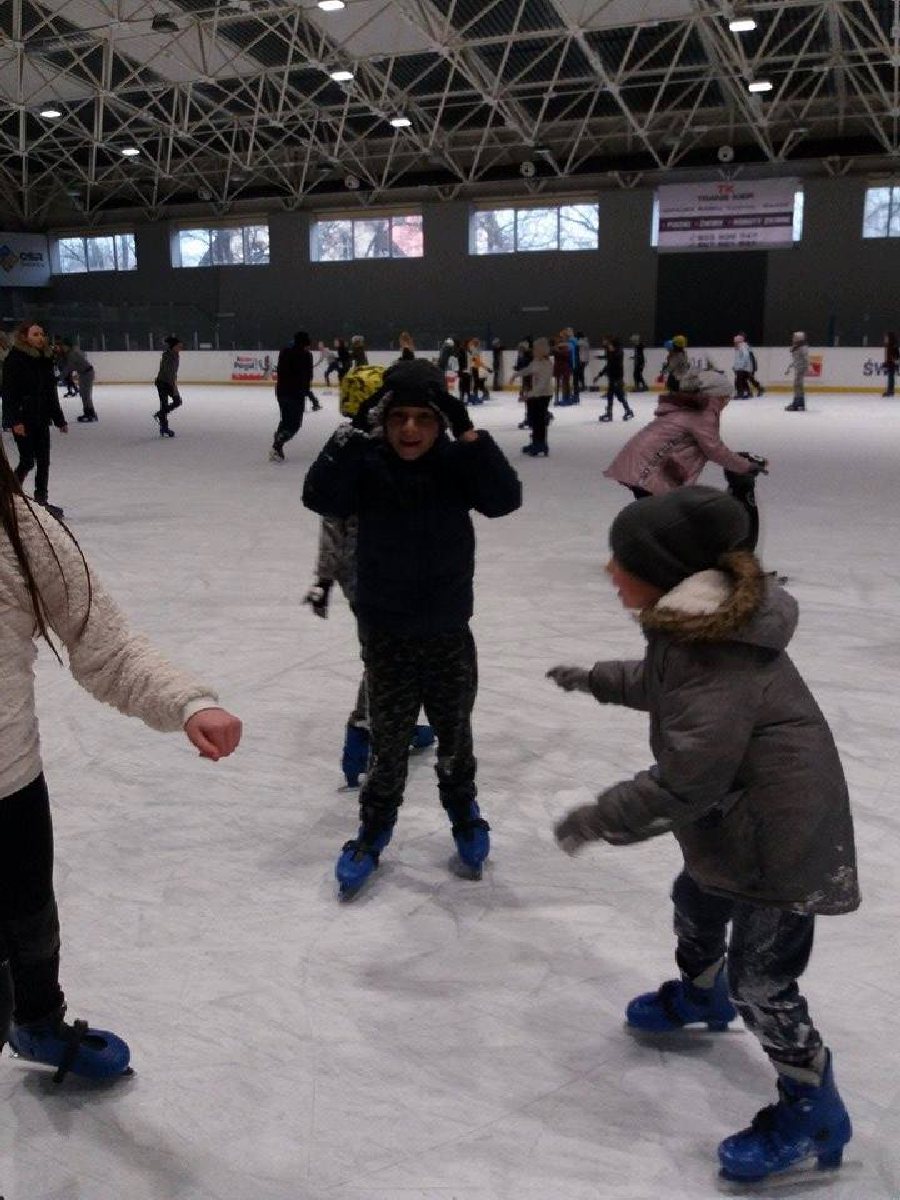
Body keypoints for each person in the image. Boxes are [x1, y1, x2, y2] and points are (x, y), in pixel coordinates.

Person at [547, 486, 858, 1183]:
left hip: (781, 842)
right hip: (737, 823)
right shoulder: (699, 627)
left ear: (664, 573)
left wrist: (600, 816)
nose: (610, 571)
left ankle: (814, 1110)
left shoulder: (719, 656)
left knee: (764, 983)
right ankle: (702, 992)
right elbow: (665, 681)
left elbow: (685, 781)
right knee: (696, 899)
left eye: (623, 561)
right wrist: (598, 679)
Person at [0, 442, 242, 1081]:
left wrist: (186, 702)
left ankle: (37, 1021)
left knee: (30, 919)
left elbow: (104, 646)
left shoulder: (21, 530)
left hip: (9, 784)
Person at [302, 359, 522, 897]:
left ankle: (465, 814)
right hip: (388, 635)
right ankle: (373, 830)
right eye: (398, 416)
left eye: (423, 418)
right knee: (389, 745)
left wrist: (467, 429)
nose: (409, 429)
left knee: (455, 736)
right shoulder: (367, 463)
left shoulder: (456, 463)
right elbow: (319, 496)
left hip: (448, 632)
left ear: (439, 421)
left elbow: (504, 499)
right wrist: (354, 427)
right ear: (382, 419)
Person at [603, 367, 763, 539]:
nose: (727, 402)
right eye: (725, 397)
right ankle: (642, 551)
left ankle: (640, 550)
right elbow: (715, 450)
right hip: (648, 469)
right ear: (715, 396)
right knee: (666, 521)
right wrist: (746, 466)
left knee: (661, 519)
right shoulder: (703, 414)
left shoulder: (690, 408)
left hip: (643, 463)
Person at [1, 321, 68, 519]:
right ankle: (9, 497)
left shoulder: (45, 359)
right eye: (35, 334)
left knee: (44, 461)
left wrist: (59, 419)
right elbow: (9, 393)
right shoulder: (15, 359)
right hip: (23, 418)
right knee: (28, 460)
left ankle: (41, 500)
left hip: (41, 417)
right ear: (24, 337)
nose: (41, 338)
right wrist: (14, 421)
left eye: (42, 334)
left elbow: (50, 393)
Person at [270, 331, 314, 462]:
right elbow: (308, 376)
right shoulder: (306, 355)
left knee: (285, 421)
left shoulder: (285, 351)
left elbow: (281, 371)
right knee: (294, 424)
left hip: (282, 392)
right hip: (296, 393)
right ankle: (278, 442)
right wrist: (306, 391)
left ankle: (277, 446)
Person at [510, 336, 553, 456]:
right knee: (534, 419)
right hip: (536, 395)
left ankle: (541, 444)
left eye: (535, 349)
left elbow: (542, 385)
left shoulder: (547, 364)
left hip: (543, 395)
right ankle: (536, 442)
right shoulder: (536, 362)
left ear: (541, 350)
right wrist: (515, 375)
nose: (533, 351)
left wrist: (528, 395)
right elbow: (528, 370)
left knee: (539, 420)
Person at [595, 336, 634, 422]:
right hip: (612, 377)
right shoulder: (611, 353)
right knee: (610, 395)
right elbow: (608, 365)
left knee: (620, 396)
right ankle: (610, 413)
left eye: (610, 345)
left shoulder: (618, 353)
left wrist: (616, 380)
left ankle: (628, 411)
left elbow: (614, 365)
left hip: (617, 378)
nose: (608, 346)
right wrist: (599, 375)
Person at [59, 338, 97, 422]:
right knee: (84, 394)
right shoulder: (74, 352)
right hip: (84, 373)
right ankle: (89, 413)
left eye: (63, 346)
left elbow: (69, 367)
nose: (62, 348)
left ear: (68, 346)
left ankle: (90, 414)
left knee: (85, 394)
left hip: (86, 373)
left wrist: (59, 377)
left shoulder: (72, 354)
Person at [153, 335, 183, 437]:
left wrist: (174, 385)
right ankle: (164, 427)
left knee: (177, 402)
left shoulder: (176, 355)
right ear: (173, 346)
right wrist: (173, 387)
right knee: (165, 404)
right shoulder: (168, 356)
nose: (181, 348)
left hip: (169, 382)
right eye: (179, 346)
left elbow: (173, 373)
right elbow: (168, 372)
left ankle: (161, 414)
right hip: (163, 383)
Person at [784, 331, 809, 412]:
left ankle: (796, 404)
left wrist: (806, 367)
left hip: (800, 369)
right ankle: (800, 403)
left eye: (795, 337)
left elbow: (805, 358)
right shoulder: (797, 347)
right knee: (798, 386)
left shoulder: (802, 348)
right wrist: (789, 368)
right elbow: (796, 360)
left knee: (797, 385)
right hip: (798, 368)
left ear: (799, 338)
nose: (793, 339)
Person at [732, 334, 752, 398]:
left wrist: (741, 366)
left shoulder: (742, 347)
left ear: (739, 341)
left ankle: (740, 393)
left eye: (735, 341)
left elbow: (745, 356)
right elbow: (738, 358)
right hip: (741, 368)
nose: (734, 343)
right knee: (742, 381)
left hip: (742, 368)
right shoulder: (739, 347)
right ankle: (747, 393)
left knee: (739, 382)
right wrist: (735, 366)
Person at [882, 331, 898, 397]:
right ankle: (891, 390)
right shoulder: (890, 345)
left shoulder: (892, 346)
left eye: (886, 337)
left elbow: (896, 355)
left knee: (891, 377)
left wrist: (891, 361)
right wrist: (886, 362)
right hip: (891, 363)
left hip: (892, 364)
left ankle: (890, 391)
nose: (885, 339)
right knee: (890, 377)